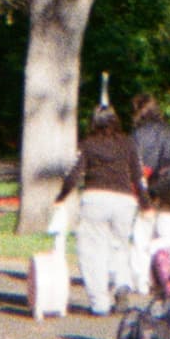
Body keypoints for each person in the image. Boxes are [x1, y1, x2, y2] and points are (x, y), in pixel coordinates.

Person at [54, 103, 145, 317]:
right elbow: (137, 176)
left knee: (92, 252)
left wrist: (61, 197)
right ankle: (122, 282)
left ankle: (99, 303)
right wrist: (146, 203)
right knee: (120, 246)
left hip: (95, 199)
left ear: (93, 122)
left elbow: (74, 175)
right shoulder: (128, 144)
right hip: (125, 201)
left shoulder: (87, 145)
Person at [129, 95, 170, 293]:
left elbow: (139, 168)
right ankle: (167, 276)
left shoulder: (139, 134)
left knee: (141, 236)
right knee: (168, 235)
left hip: (152, 188)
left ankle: (142, 281)